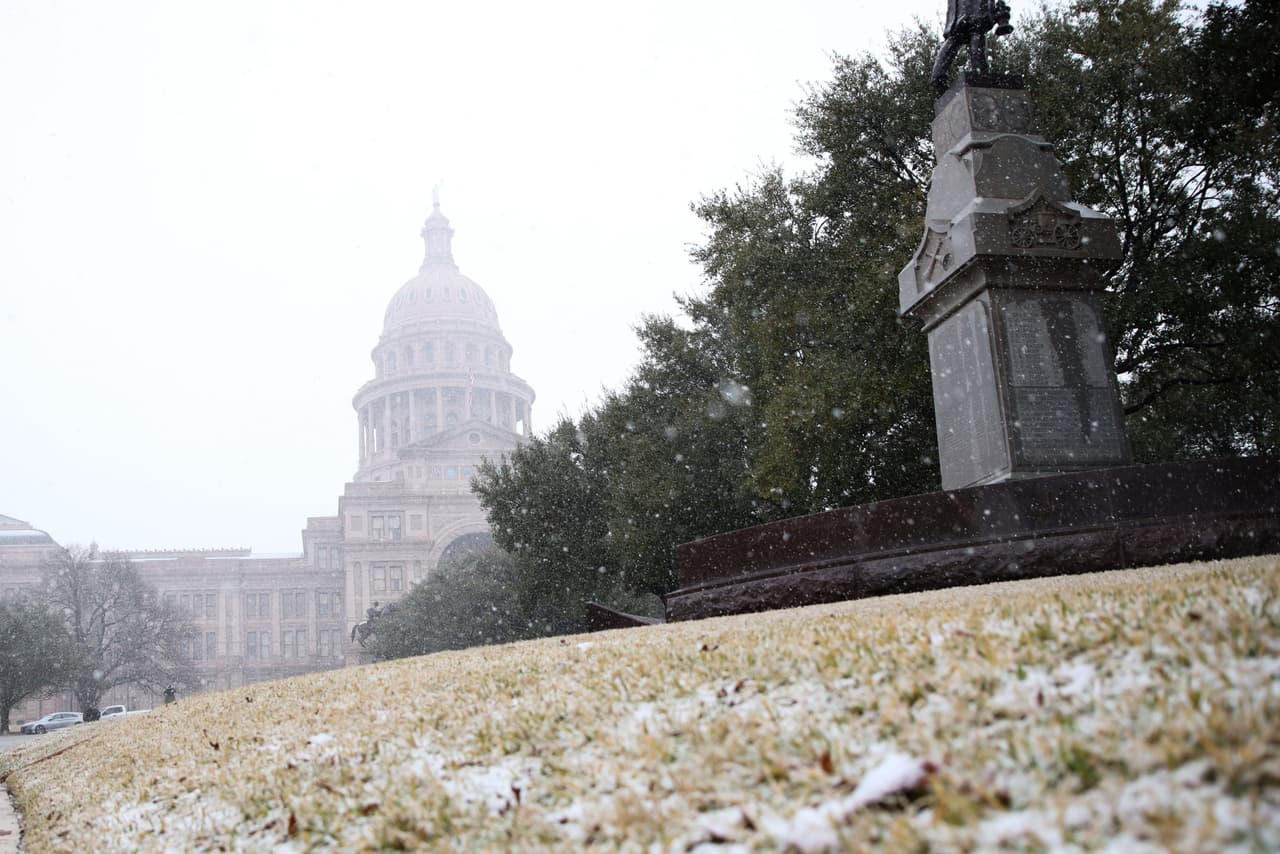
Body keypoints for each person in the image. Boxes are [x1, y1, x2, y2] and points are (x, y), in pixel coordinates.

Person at [931, 0, 1014, 94]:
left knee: (980, 73)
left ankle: (982, 97)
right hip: (956, 27)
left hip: (977, 23)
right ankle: (954, 101)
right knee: (937, 77)